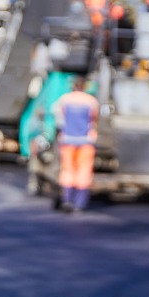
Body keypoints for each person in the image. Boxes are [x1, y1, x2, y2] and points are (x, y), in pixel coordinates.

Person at [52, 76, 99, 212]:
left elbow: (59, 119)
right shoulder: (91, 101)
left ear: (73, 85)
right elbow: (94, 120)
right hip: (86, 141)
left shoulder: (65, 99)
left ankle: (68, 199)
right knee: (84, 171)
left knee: (67, 169)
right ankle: (80, 203)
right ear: (85, 86)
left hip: (68, 140)